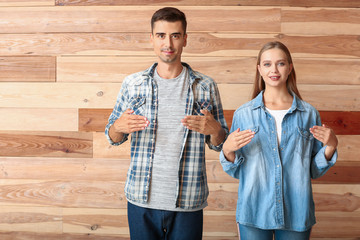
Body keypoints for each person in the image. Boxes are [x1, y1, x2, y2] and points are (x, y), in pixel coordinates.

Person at [105, 7, 228, 240]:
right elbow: (112, 137)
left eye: (175, 35)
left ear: (185, 39)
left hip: (188, 201)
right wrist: (118, 127)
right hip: (141, 199)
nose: (168, 43)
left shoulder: (205, 86)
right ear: (151, 39)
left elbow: (220, 144)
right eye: (161, 35)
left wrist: (216, 131)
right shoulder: (133, 84)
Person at [220, 41, 338, 240]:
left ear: (290, 67)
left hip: (297, 211)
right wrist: (227, 150)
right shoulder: (244, 114)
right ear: (259, 69)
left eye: (280, 63)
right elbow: (237, 171)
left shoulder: (308, 114)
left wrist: (331, 146)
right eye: (267, 64)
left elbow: (314, 171)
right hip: (253, 210)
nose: (273, 70)